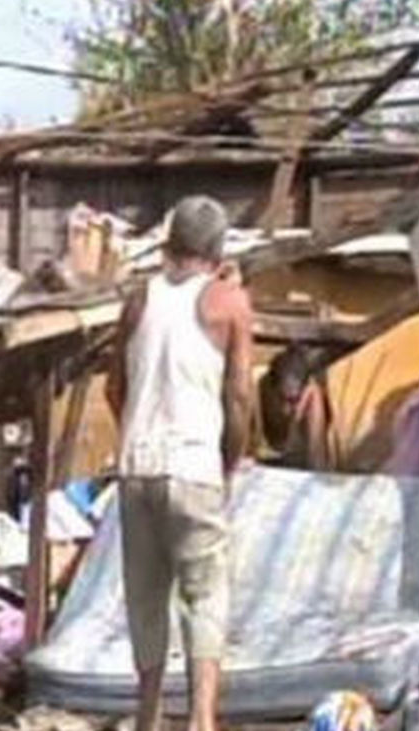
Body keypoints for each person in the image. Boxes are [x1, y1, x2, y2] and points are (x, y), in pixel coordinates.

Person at [106, 196, 254, 731]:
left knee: (146, 594)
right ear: (217, 251)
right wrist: (229, 458)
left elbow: (114, 388)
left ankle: (147, 715)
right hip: (194, 466)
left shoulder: (137, 299)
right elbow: (239, 399)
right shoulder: (230, 302)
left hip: (136, 465)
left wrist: (134, 433)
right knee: (205, 593)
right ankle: (200, 720)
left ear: (169, 244)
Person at [258, 344, 334, 470]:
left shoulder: (311, 396)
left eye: (293, 401)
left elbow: (317, 464)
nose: (285, 408)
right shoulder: (258, 390)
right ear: (271, 389)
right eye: (281, 399)